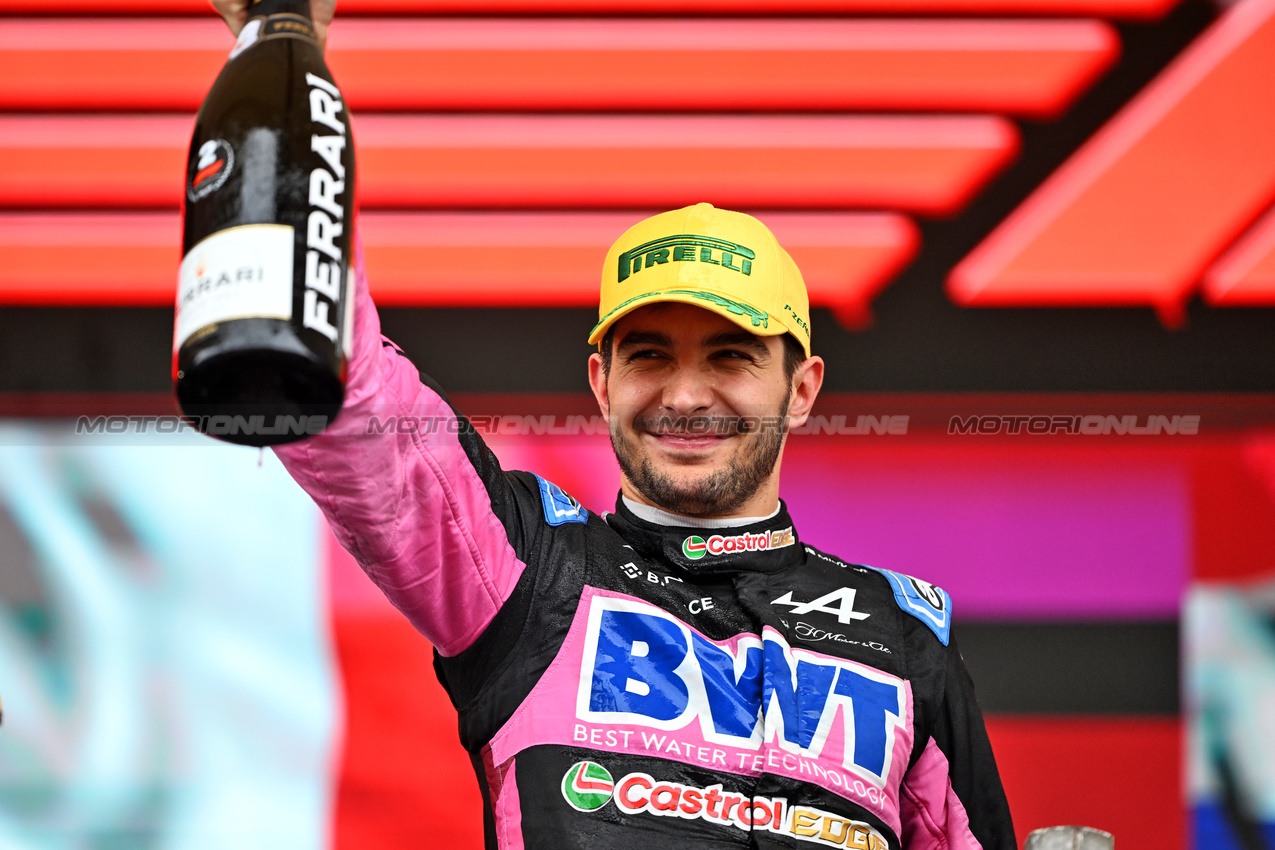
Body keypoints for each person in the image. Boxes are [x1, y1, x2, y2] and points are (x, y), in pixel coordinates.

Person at [211, 7, 1017, 849]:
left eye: (731, 356)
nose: (684, 394)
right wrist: (281, 42)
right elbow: (354, 401)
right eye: (649, 356)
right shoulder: (525, 574)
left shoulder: (903, 635)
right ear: (601, 382)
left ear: (802, 387)